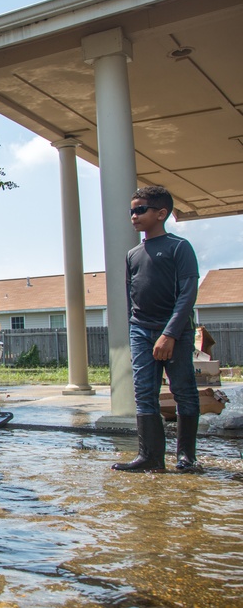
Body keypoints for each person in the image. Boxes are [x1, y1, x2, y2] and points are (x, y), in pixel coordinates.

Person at [113, 185, 200, 473]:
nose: (134, 216)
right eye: (131, 211)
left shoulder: (179, 248)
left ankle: (186, 457)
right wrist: (133, 331)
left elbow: (188, 293)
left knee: (183, 391)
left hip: (176, 332)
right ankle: (150, 456)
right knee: (143, 392)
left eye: (140, 210)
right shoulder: (133, 254)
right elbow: (131, 298)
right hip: (141, 331)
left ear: (161, 213)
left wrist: (170, 334)